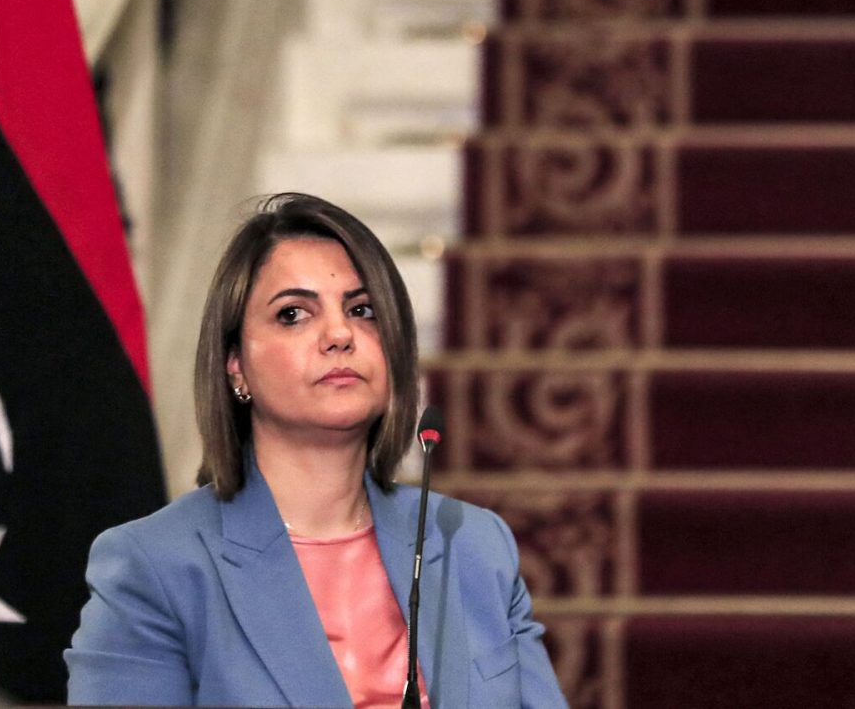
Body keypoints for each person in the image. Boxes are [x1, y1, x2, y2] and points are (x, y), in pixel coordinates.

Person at [65, 193, 568, 708]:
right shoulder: (155, 566)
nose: (340, 334)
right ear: (236, 367)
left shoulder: (473, 546)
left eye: (362, 310)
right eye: (293, 314)